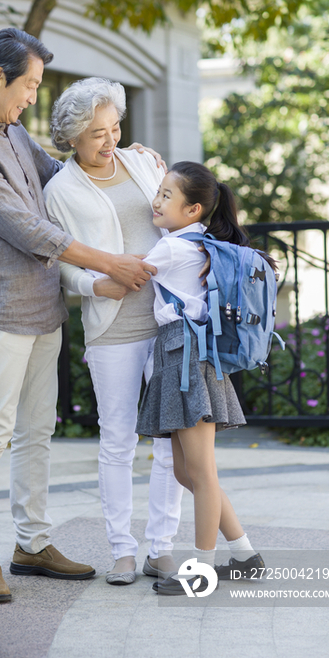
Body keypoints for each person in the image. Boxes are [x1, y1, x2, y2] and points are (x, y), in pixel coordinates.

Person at [0, 28, 162, 603]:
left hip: (44, 308)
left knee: (37, 432)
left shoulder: (11, 131)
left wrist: (125, 155)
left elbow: (65, 173)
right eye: (30, 84)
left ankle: (31, 543)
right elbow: (31, 228)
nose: (34, 97)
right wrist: (110, 261)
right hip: (0, 310)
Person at [45, 78, 186, 585]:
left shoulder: (143, 162)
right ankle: (123, 551)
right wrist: (93, 286)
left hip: (169, 320)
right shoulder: (59, 190)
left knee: (172, 437)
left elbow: (174, 216)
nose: (110, 141)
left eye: (115, 128)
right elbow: (60, 260)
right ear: (73, 139)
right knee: (118, 442)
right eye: (97, 134)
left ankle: (161, 546)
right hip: (113, 326)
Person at [134, 161, 266, 596]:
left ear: (192, 210)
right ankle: (245, 556)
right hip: (186, 358)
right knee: (188, 474)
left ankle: (201, 572)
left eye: (167, 195)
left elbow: (125, 277)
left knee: (201, 474)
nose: (156, 200)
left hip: (186, 359)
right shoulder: (201, 244)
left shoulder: (172, 249)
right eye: (158, 191)